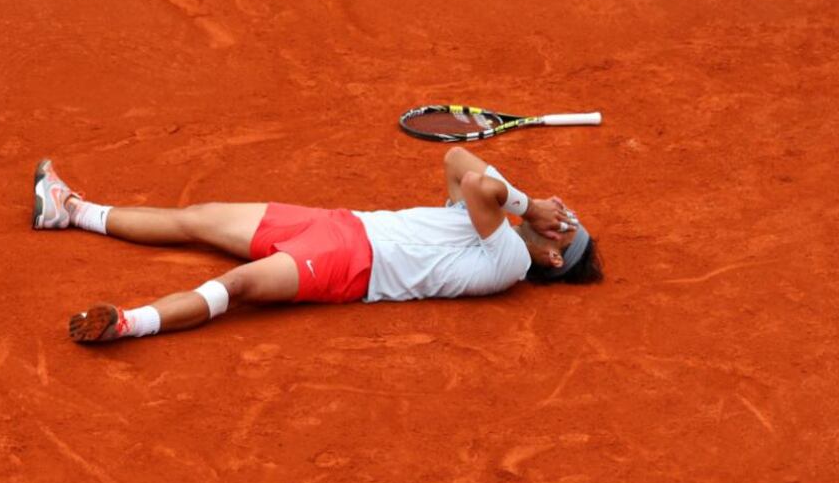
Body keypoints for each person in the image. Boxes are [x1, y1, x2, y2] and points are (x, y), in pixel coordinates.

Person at [32, 146, 602, 342]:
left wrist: (531, 208)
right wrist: (524, 206)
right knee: (197, 219)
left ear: (551, 258)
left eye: (566, 231)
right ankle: (72, 210)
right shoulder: (493, 225)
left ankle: (128, 322)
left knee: (238, 286)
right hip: (335, 224)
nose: (560, 218)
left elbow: (482, 185)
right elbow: (455, 160)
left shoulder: (506, 258)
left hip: (348, 265)